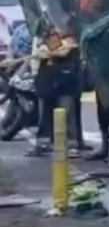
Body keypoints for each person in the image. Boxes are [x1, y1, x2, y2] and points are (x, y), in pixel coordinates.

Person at [25, 28, 83, 158]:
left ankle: (71, 146)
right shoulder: (43, 42)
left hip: (66, 84)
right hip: (46, 84)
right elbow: (41, 52)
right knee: (44, 117)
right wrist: (51, 50)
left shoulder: (71, 41)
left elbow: (65, 51)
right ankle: (42, 144)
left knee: (67, 115)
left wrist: (55, 50)